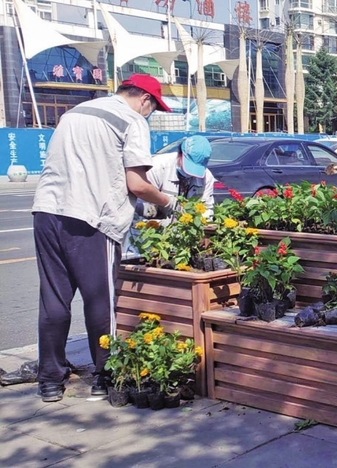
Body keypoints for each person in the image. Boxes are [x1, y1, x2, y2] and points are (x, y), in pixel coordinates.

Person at [32, 74, 174, 402]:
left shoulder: (76, 112)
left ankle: (50, 380)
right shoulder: (132, 120)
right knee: (101, 300)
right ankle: (104, 376)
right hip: (92, 220)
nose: (150, 112)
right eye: (152, 106)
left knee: (53, 300)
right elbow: (136, 184)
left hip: (47, 212)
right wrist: (167, 202)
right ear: (144, 99)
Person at [136, 135, 215, 223]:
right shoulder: (157, 168)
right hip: (153, 229)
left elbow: (207, 208)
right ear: (180, 154)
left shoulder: (207, 177)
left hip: (185, 233)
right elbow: (139, 204)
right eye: (189, 166)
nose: (190, 173)